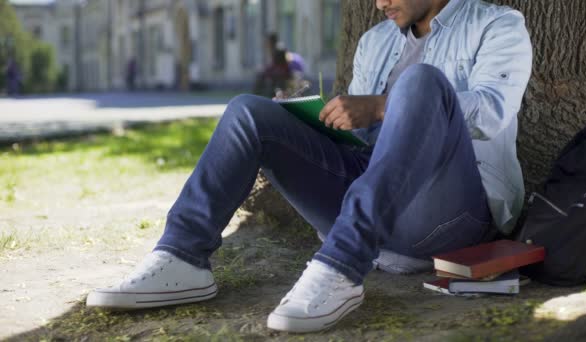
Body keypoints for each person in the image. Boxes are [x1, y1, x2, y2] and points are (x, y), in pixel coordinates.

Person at [87, 0, 532, 333]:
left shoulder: (497, 24)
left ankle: (339, 268)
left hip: (450, 215)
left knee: (422, 82)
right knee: (249, 112)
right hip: (376, 205)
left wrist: (380, 106)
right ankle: (181, 256)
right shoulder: (375, 41)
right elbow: (362, 145)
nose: (379, 3)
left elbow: (493, 110)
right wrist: (311, 123)